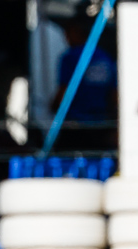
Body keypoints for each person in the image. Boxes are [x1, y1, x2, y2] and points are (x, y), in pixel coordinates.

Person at [52, 12, 118, 150]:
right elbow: (114, 94)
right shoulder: (105, 57)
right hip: (101, 124)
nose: (66, 38)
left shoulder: (70, 57)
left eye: (67, 33)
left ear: (76, 32)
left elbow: (64, 93)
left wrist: (53, 106)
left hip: (76, 126)